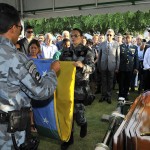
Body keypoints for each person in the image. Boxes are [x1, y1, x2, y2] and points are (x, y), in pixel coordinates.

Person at [0, 3, 60, 150]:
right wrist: (53, 72)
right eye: (20, 28)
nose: (20, 32)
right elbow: (41, 91)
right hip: (9, 134)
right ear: (13, 27)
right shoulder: (17, 58)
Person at [59, 28, 95, 150]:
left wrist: (83, 66)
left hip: (80, 88)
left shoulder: (87, 51)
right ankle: (68, 139)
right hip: (67, 88)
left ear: (81, 37)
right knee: (68, 115)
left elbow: (92, 68)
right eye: (71, 36)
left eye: (76, 36)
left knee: (79, 115)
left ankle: (83, 124)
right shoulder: (65, 51)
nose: (73, 38)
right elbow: (60, 65)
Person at [98, 29, 120, 104]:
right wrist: (99, 66)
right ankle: (103, 96)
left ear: (113, 36)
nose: (109, 36)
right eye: (107, 34)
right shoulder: (102, 44)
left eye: (110, 35)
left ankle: (109, 96)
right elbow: (99, 56)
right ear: (106, 35)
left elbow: (118, 57)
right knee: (103, 81)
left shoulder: (116, 44)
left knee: (110, 81)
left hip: (112, 66)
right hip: (103, 65)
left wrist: (117, 67)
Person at [118, 34, 139, 100]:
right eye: (126, 38)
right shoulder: (121, 46)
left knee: (127, 82)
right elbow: (118, 57)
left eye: (129, 38)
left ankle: (125, 94)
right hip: (122, 67)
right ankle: (121, 95)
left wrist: (136, 68)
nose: (127, 39)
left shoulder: (134, 47)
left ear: (131, 39)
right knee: (121, 82)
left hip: (130, 68)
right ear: (124, 39)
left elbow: (136, 58)